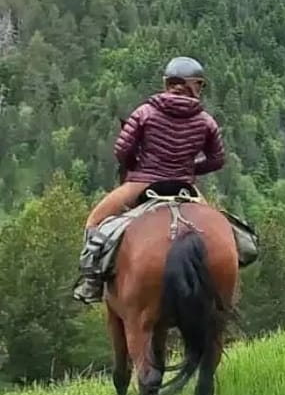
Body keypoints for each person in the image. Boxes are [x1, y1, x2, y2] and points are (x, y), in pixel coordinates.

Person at [73, 57, 226, 305]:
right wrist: (190, 168)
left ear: (168, 83)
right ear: (194, 85)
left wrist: (137, 165)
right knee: (218, 230)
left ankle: (91, 281)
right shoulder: (206, 121)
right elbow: (218, 160)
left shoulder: (145, 112)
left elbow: (121, 151)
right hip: (185, 187)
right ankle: (221, 281)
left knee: (94, 220)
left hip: (142, 182)